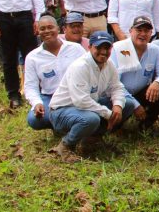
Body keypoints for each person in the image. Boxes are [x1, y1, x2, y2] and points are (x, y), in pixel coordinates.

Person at [47, 32, 132, 163]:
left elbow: (117, 87)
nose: (103, 52)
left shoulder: (109, 65)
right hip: (61, 111)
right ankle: (65, 145)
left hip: (87, 107)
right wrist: (109, 114)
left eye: (107, 48)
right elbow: (81, 101)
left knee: (128, 104)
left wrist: (118, 106)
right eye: (99, 47)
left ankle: (93, 139)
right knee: (91, 119)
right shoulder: (80, 66)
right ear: (90, 47)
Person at [24, 16, 86, 132]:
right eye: (42, 29)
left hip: (76, 94)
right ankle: (62, 123)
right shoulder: (32, 57)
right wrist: (37, 103)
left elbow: (89, 72)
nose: (47, 31)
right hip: (50, 97)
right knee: (34, 119)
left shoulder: (76, 49)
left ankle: (68, 123)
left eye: (50, 27)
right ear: (38, 31)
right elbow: (30, 86)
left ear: (58, 29)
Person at [111, 16, 159, 131]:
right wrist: (135, 105)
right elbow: (114, 84)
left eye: (146, 31)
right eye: (139, 30)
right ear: (130, 31)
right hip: (119, 95)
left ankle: (146, 125)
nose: (143, 34)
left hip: (141, 92)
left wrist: (158, 83)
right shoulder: (118, 49)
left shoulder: (155, 50)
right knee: (113, 127)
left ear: (151, 33)